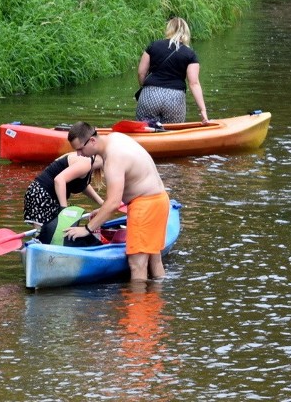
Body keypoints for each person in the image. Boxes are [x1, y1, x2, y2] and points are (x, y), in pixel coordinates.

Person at [67, 122, 170, 282]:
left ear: (92, 141)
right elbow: (128, 187)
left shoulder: (113, 160)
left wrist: (87, 229)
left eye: (80, 149)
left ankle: (138, 306)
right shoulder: (115, 138)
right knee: (154, 259)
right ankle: (156, 301)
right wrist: (102, 212)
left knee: (137, 264)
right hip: (159, 200)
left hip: (145, 206)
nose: (80, 154)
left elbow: (114, 202)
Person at [136, 16, 209, 125]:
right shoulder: (190, 54)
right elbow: (194, 83)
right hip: (174, 99)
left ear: (169, 29)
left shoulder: (154, 46)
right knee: (172, 132)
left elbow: (141, 72)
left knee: (144, 130)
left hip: (150, 94)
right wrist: (203, 109)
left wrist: (145, 87)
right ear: (186, 33)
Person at [23, 152, 105, 247]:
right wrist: (64, 210)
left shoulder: (89, 164)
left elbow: (82, 185)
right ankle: (38, 250)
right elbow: (59, 180)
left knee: (52, 235)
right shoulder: (86, 163)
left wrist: (102, 202)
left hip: (48, 197)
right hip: (41, 195)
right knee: (43, 236)